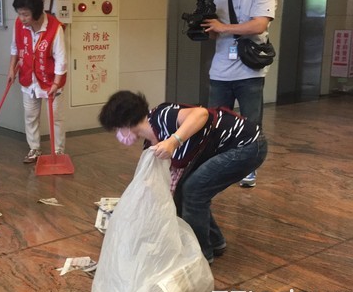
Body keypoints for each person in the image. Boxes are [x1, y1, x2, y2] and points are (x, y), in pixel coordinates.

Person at [98, 91, 267, 264]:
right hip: (232, 148)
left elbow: (201, 114)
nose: (119, 134)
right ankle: (215, 242)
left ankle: (201, 255)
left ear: (126, 124)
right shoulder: (152, 142)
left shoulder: (161, 117)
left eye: (118, 129)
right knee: (186, 191)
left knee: (193, 191)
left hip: (247, 146)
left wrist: (174, 141)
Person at [201, 0, 276, 187]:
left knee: (250, 122)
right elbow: (213, 34)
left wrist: (222, 26)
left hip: (249, 70)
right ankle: (216, 166)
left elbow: (259, 25)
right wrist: (202, 25)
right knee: (214, 123)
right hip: (220, 69)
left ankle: (248, 167)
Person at [7, 0, 68, 163]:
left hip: (50, 80)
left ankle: (58, 151)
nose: (21, 18)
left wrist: (56, 84)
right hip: (28, 78)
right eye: (19, 14)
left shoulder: (55, 28)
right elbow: (15, 47)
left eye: (25, 14)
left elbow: (61, 59)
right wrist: (12, 69)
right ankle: (34, 148)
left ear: (37, 12)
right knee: (30, 115)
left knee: (55, 118)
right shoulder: (19, 25)